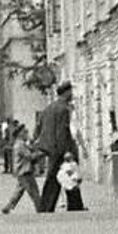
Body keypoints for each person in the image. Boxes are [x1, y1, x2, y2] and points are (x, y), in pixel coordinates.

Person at [36, 81, 78, 213]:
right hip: (60, 148)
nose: (72, 94)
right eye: (71, 91)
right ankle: (48, 207)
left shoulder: (48, 108)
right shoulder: (64, 109)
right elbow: (62, 131)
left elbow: (39, 127)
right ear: (66, 92)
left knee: (63, 176)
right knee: (64, 175)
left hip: (50, 148)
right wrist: (66, 151)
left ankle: (74, 204)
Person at [0, 122, 40, 214]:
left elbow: (30, 148)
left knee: (19, 191)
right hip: (24, 171)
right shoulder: (20, 145)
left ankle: (8, 207)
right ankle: (40, 209)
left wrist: (35, 144)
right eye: (25, 132)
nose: (27, 134)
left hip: (21, 172)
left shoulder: (21, 144)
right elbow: (30, 156)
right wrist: (41, 154)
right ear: (20, 134)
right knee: (34, 192)